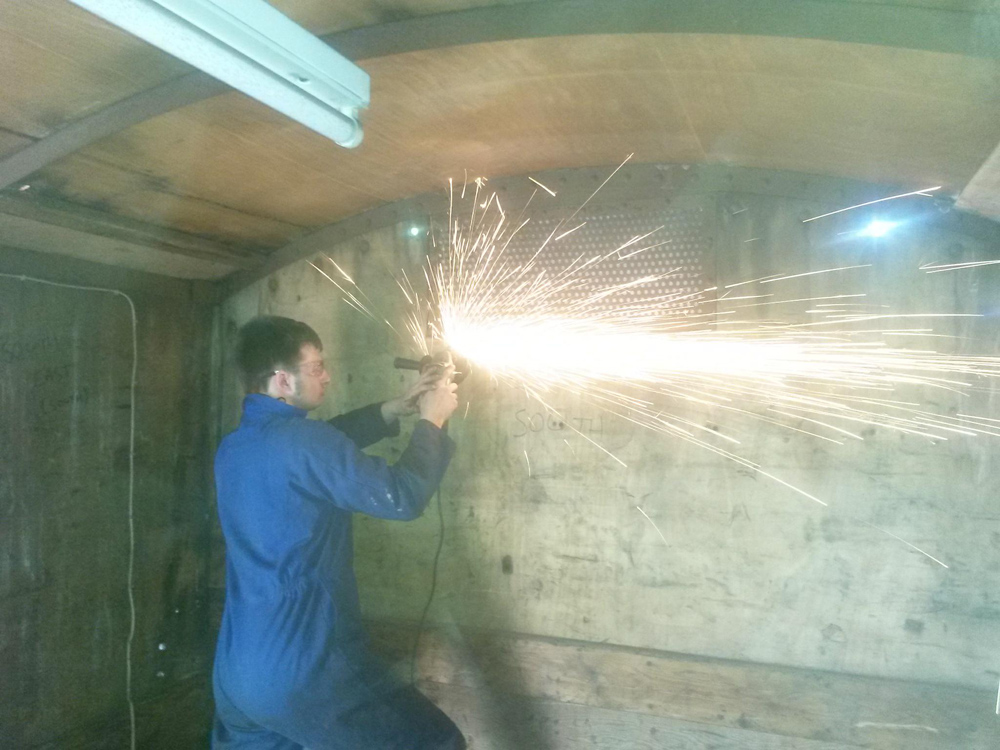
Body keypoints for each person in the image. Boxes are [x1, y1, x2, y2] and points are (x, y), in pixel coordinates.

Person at [211, 316, 464, 750]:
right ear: (282, 380)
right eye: (317, 367)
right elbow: (401, 497)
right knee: (436, 743)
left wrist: (393, 409)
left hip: (239, 673)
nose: (326, 376)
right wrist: (432, 422)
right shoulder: (306, 442)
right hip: (304, 668)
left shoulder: (236, 446)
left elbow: (319, 446)